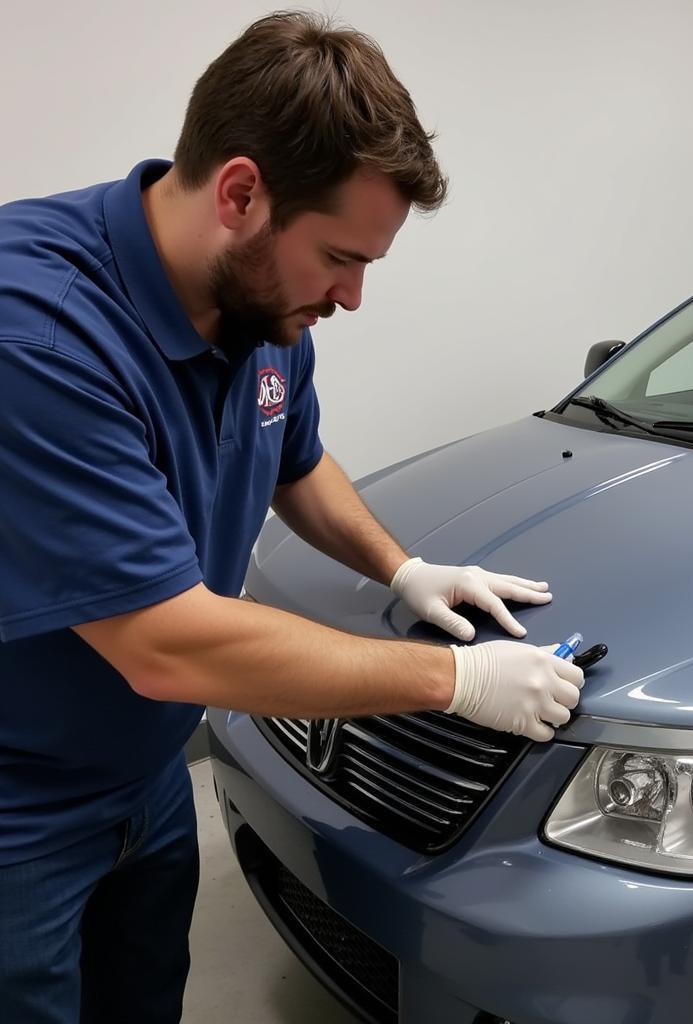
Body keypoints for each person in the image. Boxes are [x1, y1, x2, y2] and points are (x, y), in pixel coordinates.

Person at [0, 12, 583, 1023]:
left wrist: (403, 570)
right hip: (22, 804)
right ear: (239, 192)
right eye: (341, 257)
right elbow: (164, 643)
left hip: (144, 779)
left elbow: (294, 462)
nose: (351, 298)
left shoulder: (263, 308)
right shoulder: (39, 338)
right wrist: (456, 679)